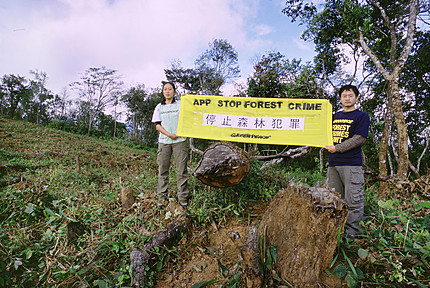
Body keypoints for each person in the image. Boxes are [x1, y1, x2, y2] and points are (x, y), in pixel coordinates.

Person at [325, 84, 370, 239]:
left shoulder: (362, 116)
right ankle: (334, 232)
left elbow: (359, 139)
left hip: (351, 164)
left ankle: (351, 236)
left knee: (353, 200)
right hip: (333, 164)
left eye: (350, 95)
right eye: (344, 96)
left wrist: (337, 148)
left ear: (356, 97)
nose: (347, 98)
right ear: (340, 99)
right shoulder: (335, 116)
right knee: (333, 199)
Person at [151, 81, 189, 209]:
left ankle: (183, 199)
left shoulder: (180, 104)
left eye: (170, 89)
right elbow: (157, 125)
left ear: (174, 91)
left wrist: (187, 99)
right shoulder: (159, 107)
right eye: (165, 89)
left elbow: (190, 111)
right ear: (163, 92)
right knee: (163, 170)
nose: (167, 91)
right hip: (164, 142)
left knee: (182, 171)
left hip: (180, 141)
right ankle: (162, 198)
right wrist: (169, 134)